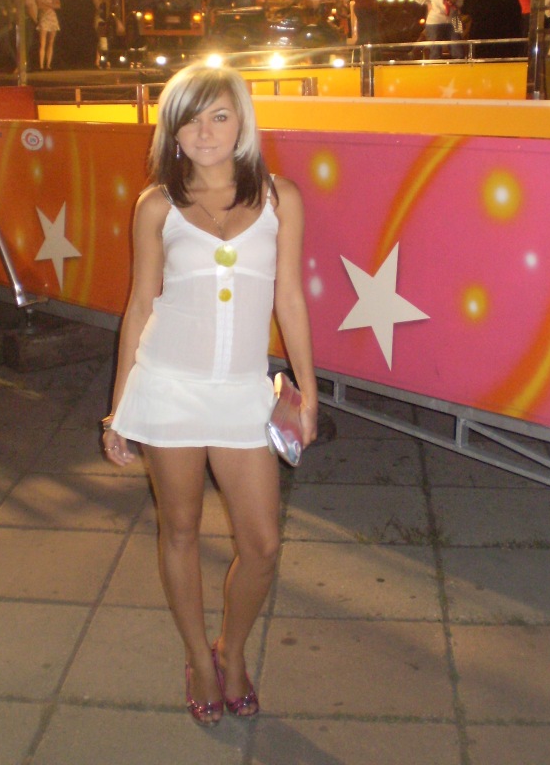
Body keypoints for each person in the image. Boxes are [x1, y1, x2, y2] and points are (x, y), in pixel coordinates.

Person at [102, 64, 318, 726]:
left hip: (242, 392)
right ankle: (200, 658)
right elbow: (140, 306)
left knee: (263, 545)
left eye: (219, 115)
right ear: (172, 131)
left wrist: (309, 391)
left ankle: (233, 648)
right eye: (190, 119)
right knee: (181, 530)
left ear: (242, 121)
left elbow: (289, 299)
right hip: (167, 386)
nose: (205, 131)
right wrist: (119, 410)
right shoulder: (157, 205)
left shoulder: (280, 198)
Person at [35, 0, 61, 70]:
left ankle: (48, 64)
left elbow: (58, 5)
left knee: (51, 42)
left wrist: (46, 4)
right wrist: (51, 4)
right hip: (43, 17)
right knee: (42, 43)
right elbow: (39, 5)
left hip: (52, 17)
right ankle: (41, 65)